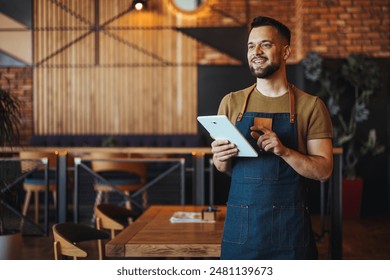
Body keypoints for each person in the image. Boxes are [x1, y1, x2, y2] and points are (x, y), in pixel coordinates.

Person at [211, 16, 333, 260]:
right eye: (250, 45)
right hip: (241, 230)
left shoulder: (311, 106)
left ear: (286, 51)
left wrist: (285, 151)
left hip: (291, 231)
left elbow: (324, 171)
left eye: (265, 44)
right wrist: (221, 158)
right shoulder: (231, 102)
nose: (255, 52)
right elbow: (224, 168)